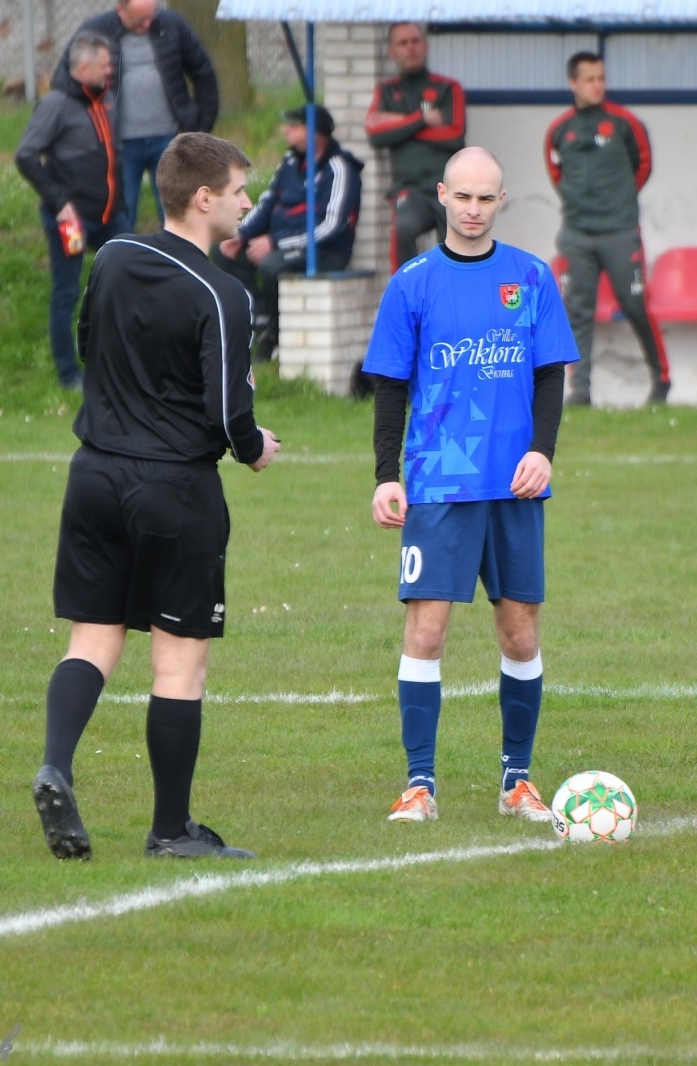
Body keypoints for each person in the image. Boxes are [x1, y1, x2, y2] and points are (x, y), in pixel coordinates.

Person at [31, 132, 282, 861]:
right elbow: (232, 415)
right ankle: (171, 830)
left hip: (94, 477)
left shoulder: (110, 257)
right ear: (203, 198)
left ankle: (56, 764)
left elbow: (87, 345)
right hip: (174, 491)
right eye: (240, 190)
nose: (248, 202)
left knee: (94, 639)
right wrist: (256, 447)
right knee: (179, 662)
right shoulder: (223, 292)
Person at [363, 147, 578, 824]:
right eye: (463, 197)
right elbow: (390, 387)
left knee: (520, 635)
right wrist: (385, 476)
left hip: (514, 486)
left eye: (486, 198)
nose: (474, 210)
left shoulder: (530, 277)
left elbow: (549, 375)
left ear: (502, 201)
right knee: (426, 633)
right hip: (439, 484)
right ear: (443, 196)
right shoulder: (413, 282)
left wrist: (543, 451)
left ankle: (517, 781)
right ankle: (419, 785)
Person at [546, 52, 671, 406]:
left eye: (601, 78)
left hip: (619, 232)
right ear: (573, 83)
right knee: (577, 311)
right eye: (589, 79)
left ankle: (661, 379)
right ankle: (580, 390)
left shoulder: (625, 122)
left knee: (635, 304)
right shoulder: (559, 130)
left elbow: (642, 166)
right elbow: (558, 175)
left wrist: (619, 200)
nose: (597, 85)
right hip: (576, 235)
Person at [15, 30, 129, 390]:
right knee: (66, 292)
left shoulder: (106, 99)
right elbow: (26, 155)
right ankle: (69, 375)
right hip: (72, 221)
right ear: (83, 67)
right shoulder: (55, 105)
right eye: (105, 64)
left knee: (131, 282)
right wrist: (59, 202)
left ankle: (124, 368)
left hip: (112, 217)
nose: (111, 70)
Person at [52, 0, 219, 229]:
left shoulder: (172, 25)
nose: (148, 23)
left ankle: (176, 263)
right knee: (121, 216)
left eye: (152, 15)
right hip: (119, 145)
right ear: (120, 10)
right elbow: (64, 80)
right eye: (140, 20)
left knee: (178, 216)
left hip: (171, 140)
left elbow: (203, 73)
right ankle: (120, 262)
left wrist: (200, 127)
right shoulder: (96, 31)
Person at [215, 106, 363, 363]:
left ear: (315, 134)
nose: (286, 131)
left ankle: (274, 333)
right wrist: (242, 233)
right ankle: (259, 314)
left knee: (271, 265)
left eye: (294, 127)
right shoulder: (290, 162)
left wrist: (274, 243)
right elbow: (268, 201)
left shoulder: (340, 169)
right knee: (222, 250)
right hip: (284, 243)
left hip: (326, 252)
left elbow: (331, 226)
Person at [365, 23, 466, 269]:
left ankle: (451, 298)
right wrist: (422, 119)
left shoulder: (448, 87)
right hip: (409, 191)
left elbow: (454, 135)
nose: (410, 48)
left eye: (415, 41)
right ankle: (406, 296)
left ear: (425, 45)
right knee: (402, 229)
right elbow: (376, 134)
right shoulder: (386, 90)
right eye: (402, 43)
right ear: (391, 51)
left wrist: (399, 126)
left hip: (447, 189)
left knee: (455, 248)